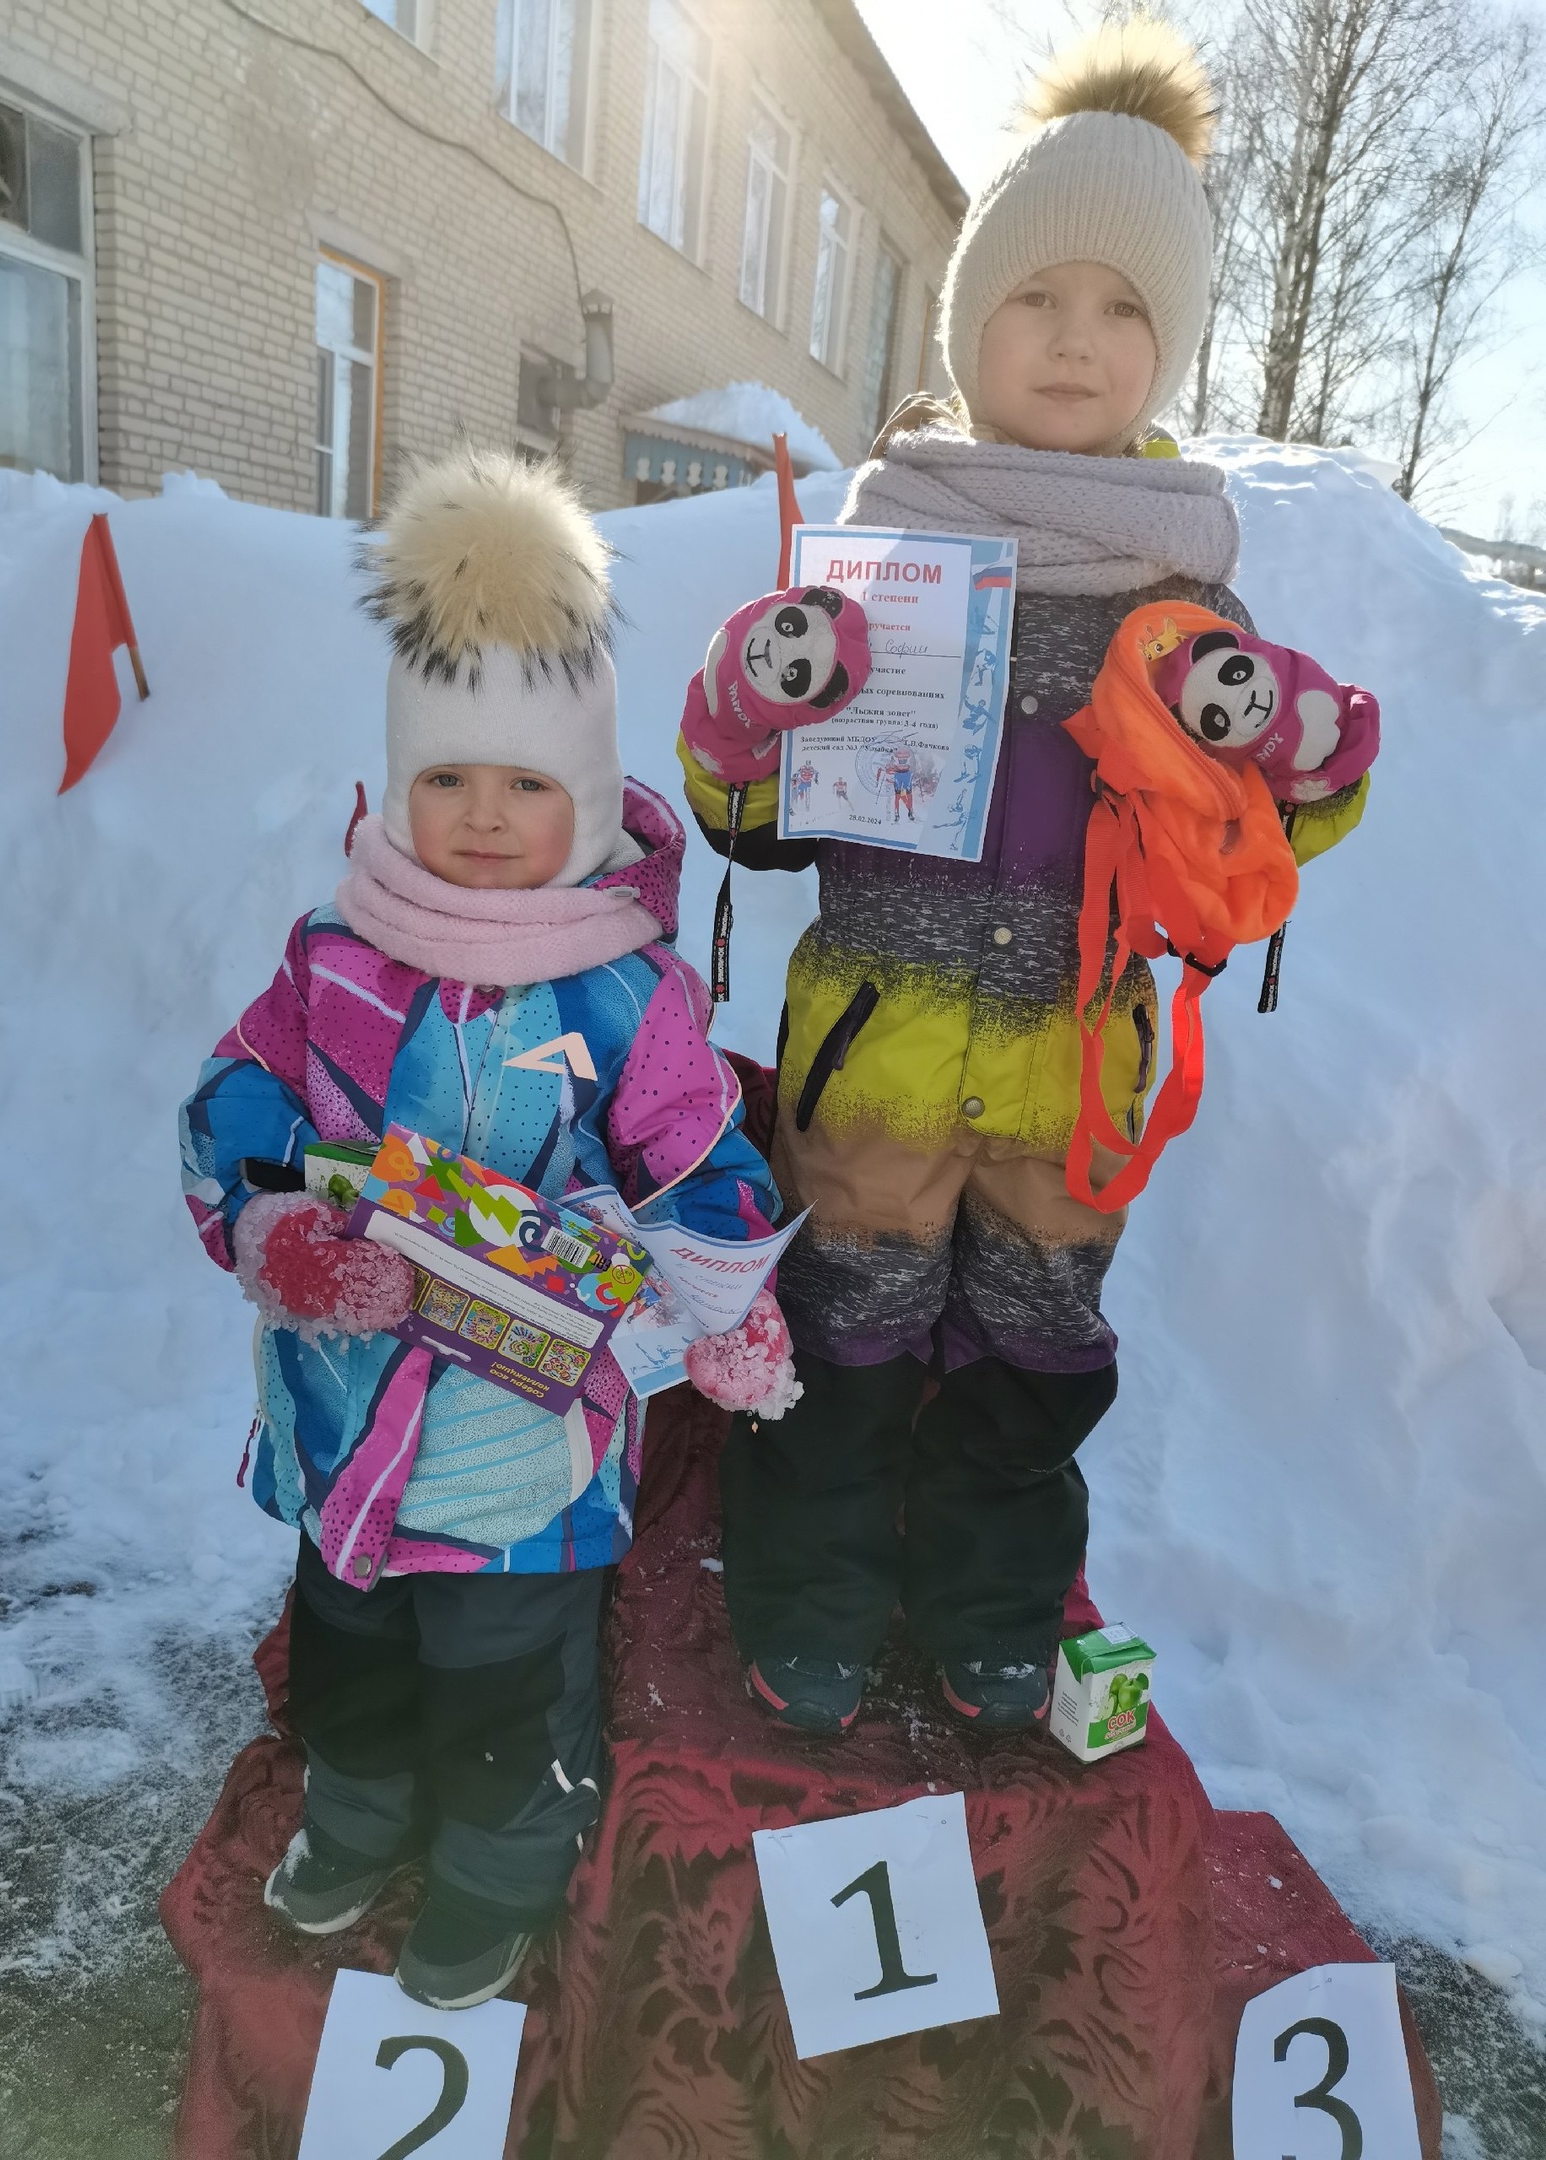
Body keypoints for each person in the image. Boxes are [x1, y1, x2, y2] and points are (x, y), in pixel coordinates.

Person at [676, 21, 1370, 1736]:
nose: (1076, 337)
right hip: (875, 1064)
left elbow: (1249, 846)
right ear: (966, 320)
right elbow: (754, 817)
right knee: (843, 1346)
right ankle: (815, 1605)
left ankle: (991, 1612)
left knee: (1031, 1366)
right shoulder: (882, 555)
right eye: (1037, 295)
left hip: (1074, 1082)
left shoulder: (1184, 599)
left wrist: (1304, 761)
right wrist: (751, 710)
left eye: (1125, 307)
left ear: (1168, 347)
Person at [180, 451, 794, 2007]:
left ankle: (499, 1869)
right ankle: (356, 1814)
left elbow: (701, 1164)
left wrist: (727, 1306)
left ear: (582, 794)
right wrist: (276, 1233)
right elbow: (235, 1106)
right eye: (448, 778)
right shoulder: (336, 956)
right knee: (351, 1646)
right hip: (343, 1413)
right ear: (400, 785)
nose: (483, 816)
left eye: (527, 784)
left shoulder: (626, 990)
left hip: (524, 1447)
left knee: (503, 1679)